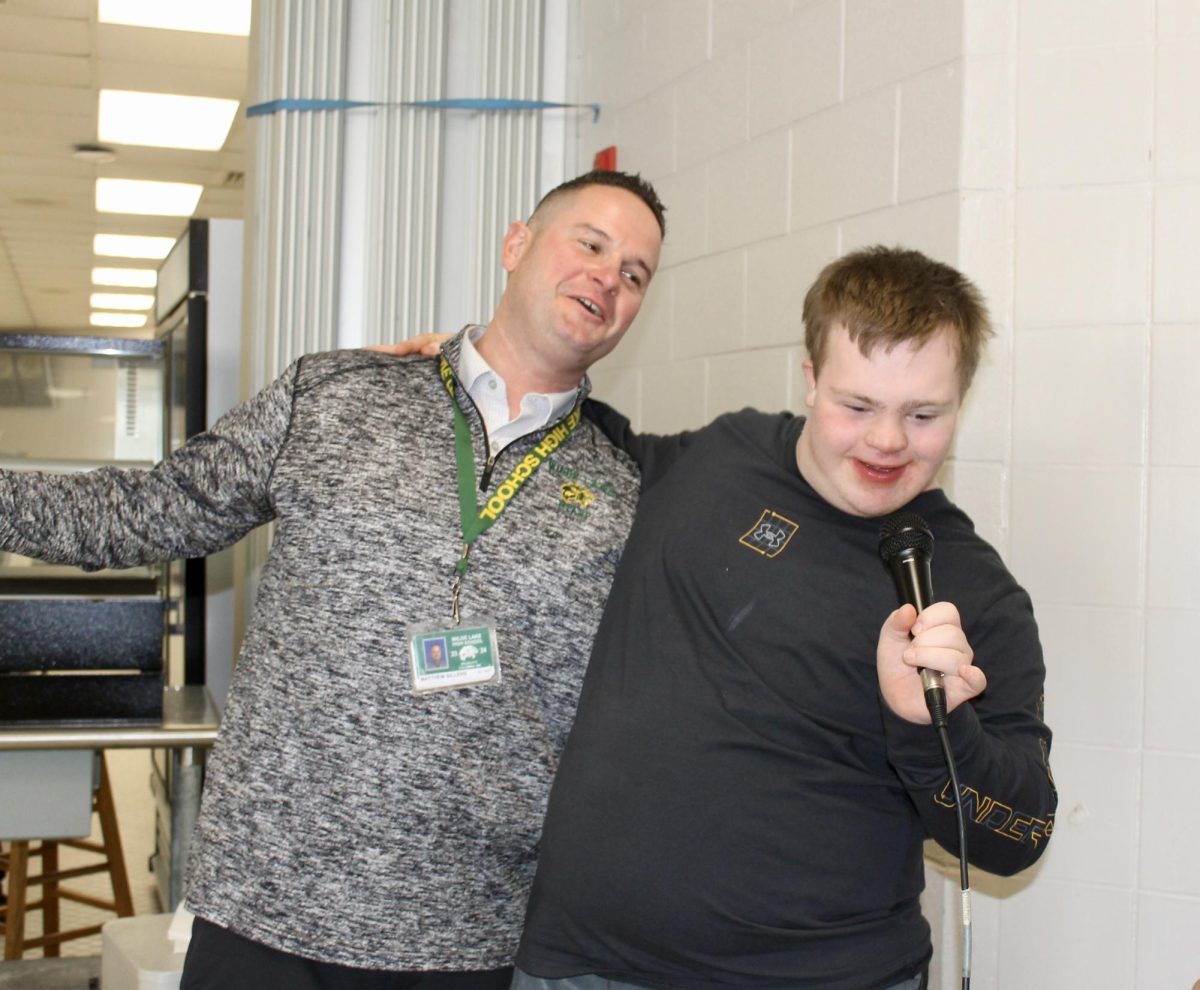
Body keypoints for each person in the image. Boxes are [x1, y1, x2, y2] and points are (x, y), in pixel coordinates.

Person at [0, 168, 666, 989]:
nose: (608, 275)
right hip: (270, 902)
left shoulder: (628, 485)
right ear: (517, 243)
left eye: (635, 274)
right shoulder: (337, 395)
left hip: (470, 928)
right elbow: (143, 511)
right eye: (591, 244)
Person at [502, 246, 1058, 989]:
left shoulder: (971, 593)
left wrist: (933, 727)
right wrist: (452, 377)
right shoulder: (726, 454)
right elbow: (588, 445)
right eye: (857, 406)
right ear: (809, 380)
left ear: (961, 399)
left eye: (924, 414)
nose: (888, 441)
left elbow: (1018, 835)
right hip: (582, 965)